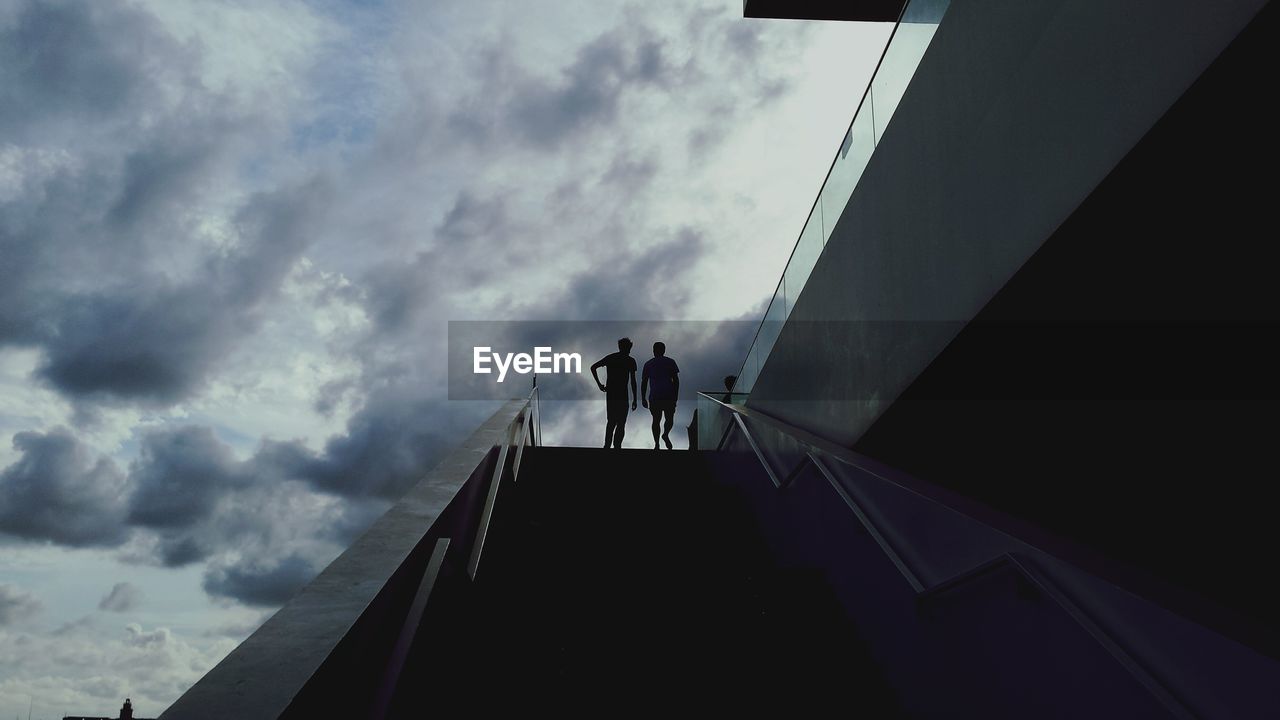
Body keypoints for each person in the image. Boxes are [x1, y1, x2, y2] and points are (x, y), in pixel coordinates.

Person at [590, 337, 637, 449]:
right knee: (620, 423)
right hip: (621, 394)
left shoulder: (611, 358)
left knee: (612, 422)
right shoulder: (630, 361)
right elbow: (633, 381)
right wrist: (635, 398)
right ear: (628, 348)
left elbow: (593, 367)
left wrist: (599, 384)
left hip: (612, 393)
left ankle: (608, 446)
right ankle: (616, 446)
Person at [641, 341, 680, 449]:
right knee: (667, 419)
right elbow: (676, 381)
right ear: (664, 350)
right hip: (665, 396)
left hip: (657, 396)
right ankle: (660, 440)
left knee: (657, 420)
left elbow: (644, 382)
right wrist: (675, 396)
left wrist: (643, 398)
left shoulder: (649, 363)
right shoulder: (669, 362)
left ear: (654, 350)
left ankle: (659, 441)